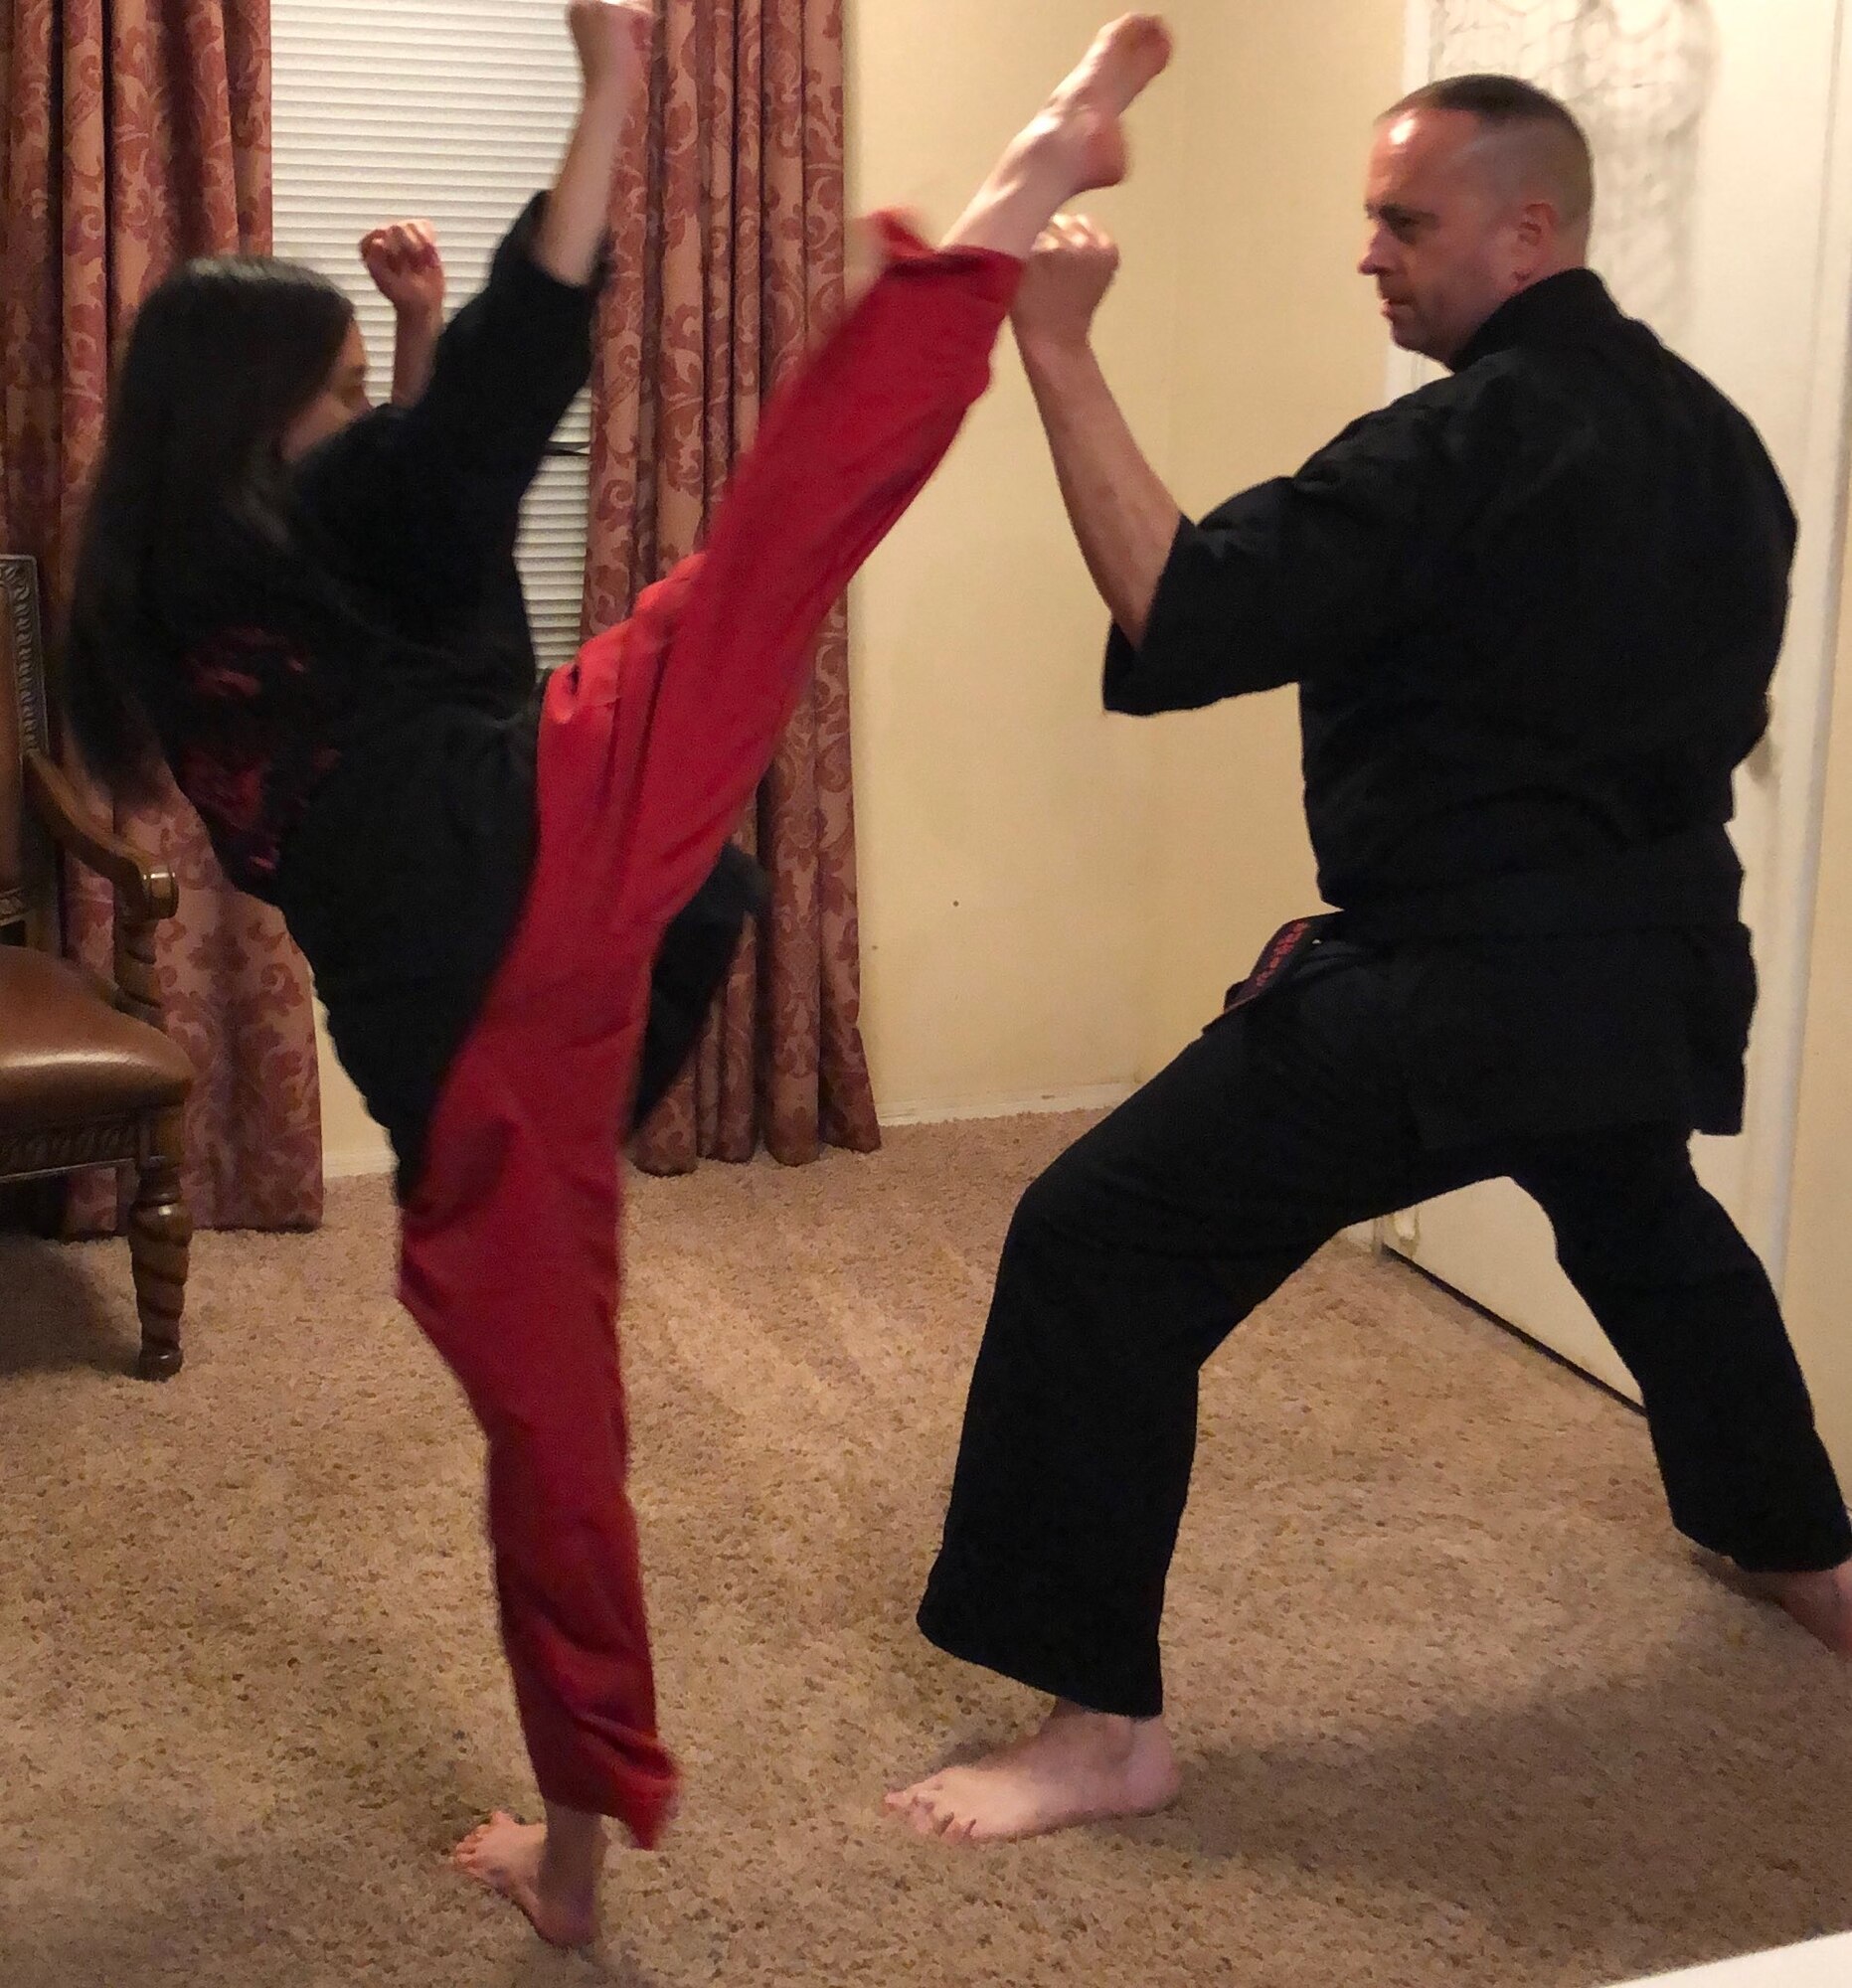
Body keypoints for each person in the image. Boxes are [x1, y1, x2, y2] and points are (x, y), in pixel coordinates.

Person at [59, 0, 1176, 1942]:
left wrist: (485, 267)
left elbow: (438, 506)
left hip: (470, 1051)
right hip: (562, 867)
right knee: (773, 538)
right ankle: (1016, 190)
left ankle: (573, 1855)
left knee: (551, 1470)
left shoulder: (159, 616)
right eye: (327, 390)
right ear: (256, 420)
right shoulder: (319, 534)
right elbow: (460, 470)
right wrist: (609, 101)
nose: (349, 419)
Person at [888, 73, 1852, 1850]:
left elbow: (1178, 602)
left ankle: (1101, 1728)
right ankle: (1810, 1556)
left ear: (1526, 229)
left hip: (1461, 986)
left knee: (1098, 1240)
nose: (1369, 258)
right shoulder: (1720, 442)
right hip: (1651, 962)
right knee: (1646, 1219)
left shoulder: (1457, 444)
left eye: (1405, 224)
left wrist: (1060, 347)